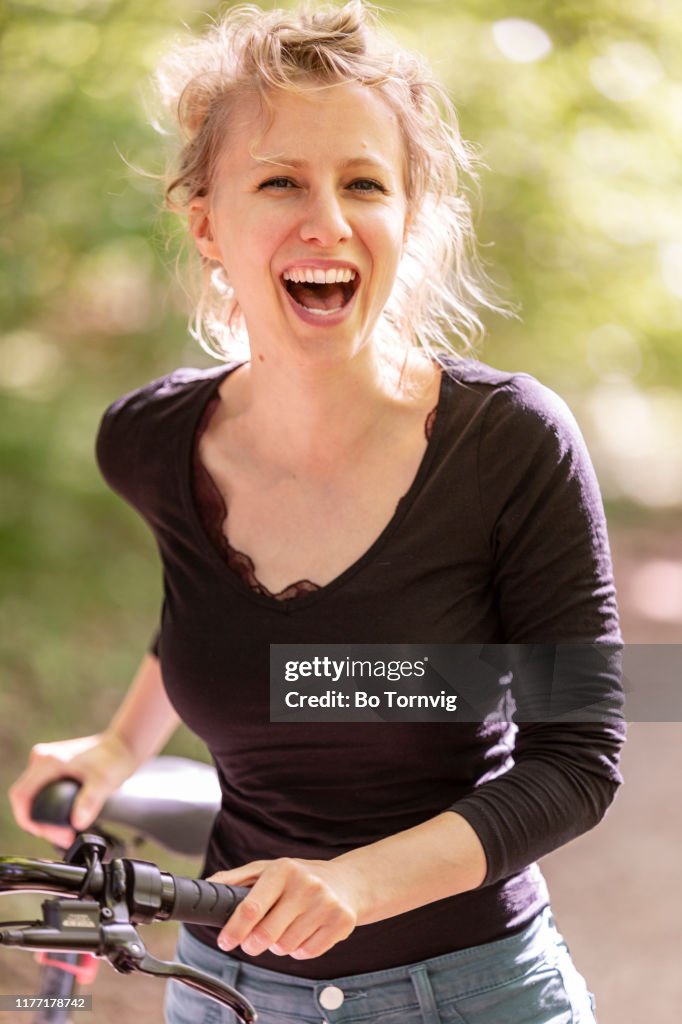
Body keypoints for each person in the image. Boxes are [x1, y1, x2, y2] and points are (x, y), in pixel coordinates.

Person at [9, 3, 625, 1022]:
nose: (327, 220)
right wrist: (119, 745)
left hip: (467, 993)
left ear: (407, 217)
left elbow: (578, 762)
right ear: (207, 221)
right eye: (281, 179)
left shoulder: (508, 443)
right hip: (221, 989)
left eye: (364, 183)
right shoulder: (153, 443)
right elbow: (204, 616)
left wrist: (354, 884)